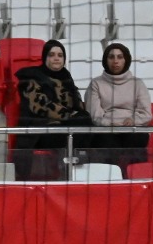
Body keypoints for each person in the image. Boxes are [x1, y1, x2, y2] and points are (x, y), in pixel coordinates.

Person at [13, 39, 93, 181]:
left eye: (60, 55)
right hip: (42, 130)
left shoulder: (66, 78)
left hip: (67, 127)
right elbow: (40, 105)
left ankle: (85, 173)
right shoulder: (31, 77)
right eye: (52, 55)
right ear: (45, 57)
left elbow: (77, 104)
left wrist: (79, 115)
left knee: (90, 124)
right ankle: (69, 170)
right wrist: (70, 115)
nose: (56, 58)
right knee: (81, 124)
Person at [84, 41, 153, 165]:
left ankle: (135, 174)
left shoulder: (138, 83)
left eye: (120, 57)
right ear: (106, 60)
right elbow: (94, 115)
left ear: (126, 60)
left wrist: (133, 120)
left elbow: (146, 114)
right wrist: (110, 124)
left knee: (138, 138)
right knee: (104, 141)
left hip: (132, 128)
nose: (115, 61)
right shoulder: (96, 83)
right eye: (111, 57)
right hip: (106, 129)